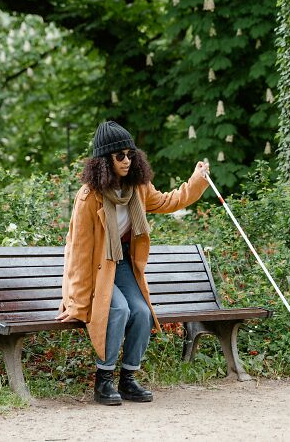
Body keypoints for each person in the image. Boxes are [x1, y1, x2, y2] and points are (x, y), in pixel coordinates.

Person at [56, 121, 211, 405]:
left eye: (130, 154)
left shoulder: (137, 187)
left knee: (141, 311)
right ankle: (103, 381)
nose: (127, 160)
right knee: (119, 308)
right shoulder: (89, 198)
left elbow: (167, 201)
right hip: (96, 268)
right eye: (120, 156)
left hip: (123, 263)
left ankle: (128, 379)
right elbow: (78, 253)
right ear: (105, 160)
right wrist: (76, 303)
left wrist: (197, 179)